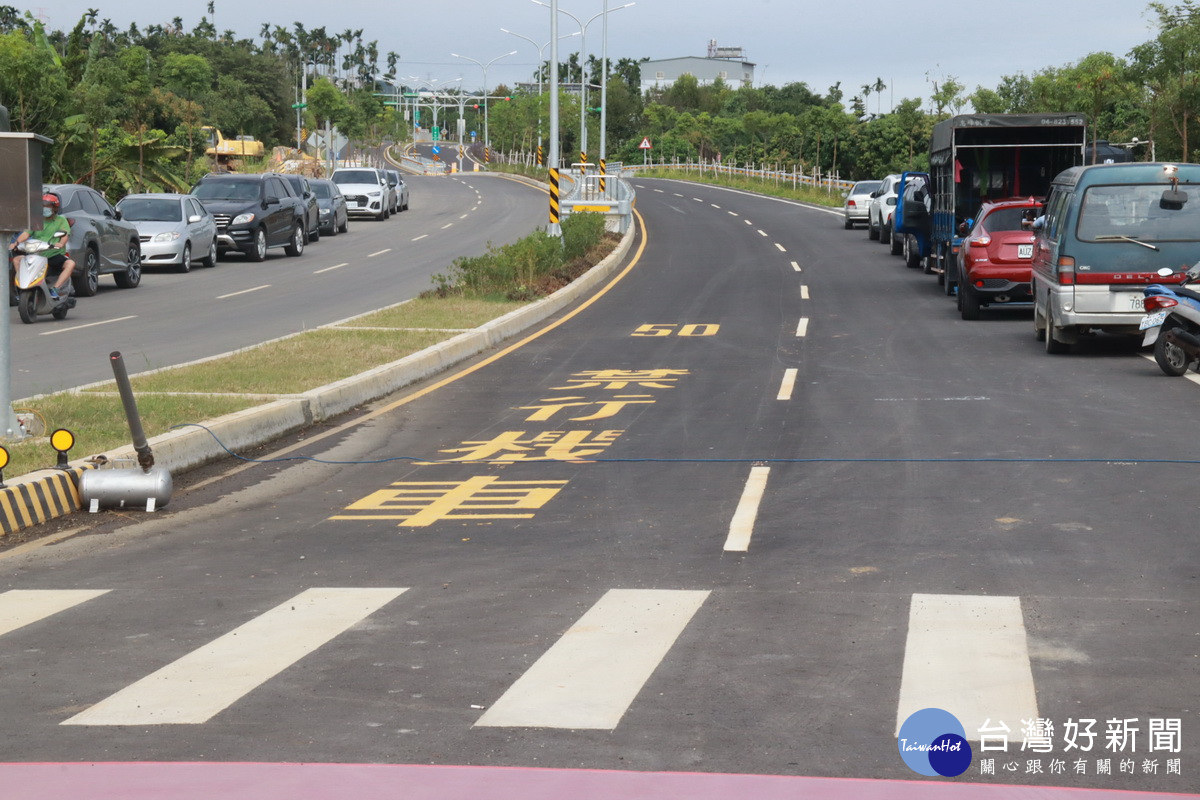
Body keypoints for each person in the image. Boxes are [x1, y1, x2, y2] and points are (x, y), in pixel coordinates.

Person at [10, 193, 75, 300]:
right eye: (43, 206)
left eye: (48, 206)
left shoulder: (61, 220)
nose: (45, 209)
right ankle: (23, 287)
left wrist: (61, 244)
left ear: (55, 208)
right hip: (36, 255)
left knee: (70, 264)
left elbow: (64, 235)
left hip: (53, 255)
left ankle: (55, 288)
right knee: (17, 260)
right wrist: (16, 243)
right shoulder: (36, 220)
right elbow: (26, 234)